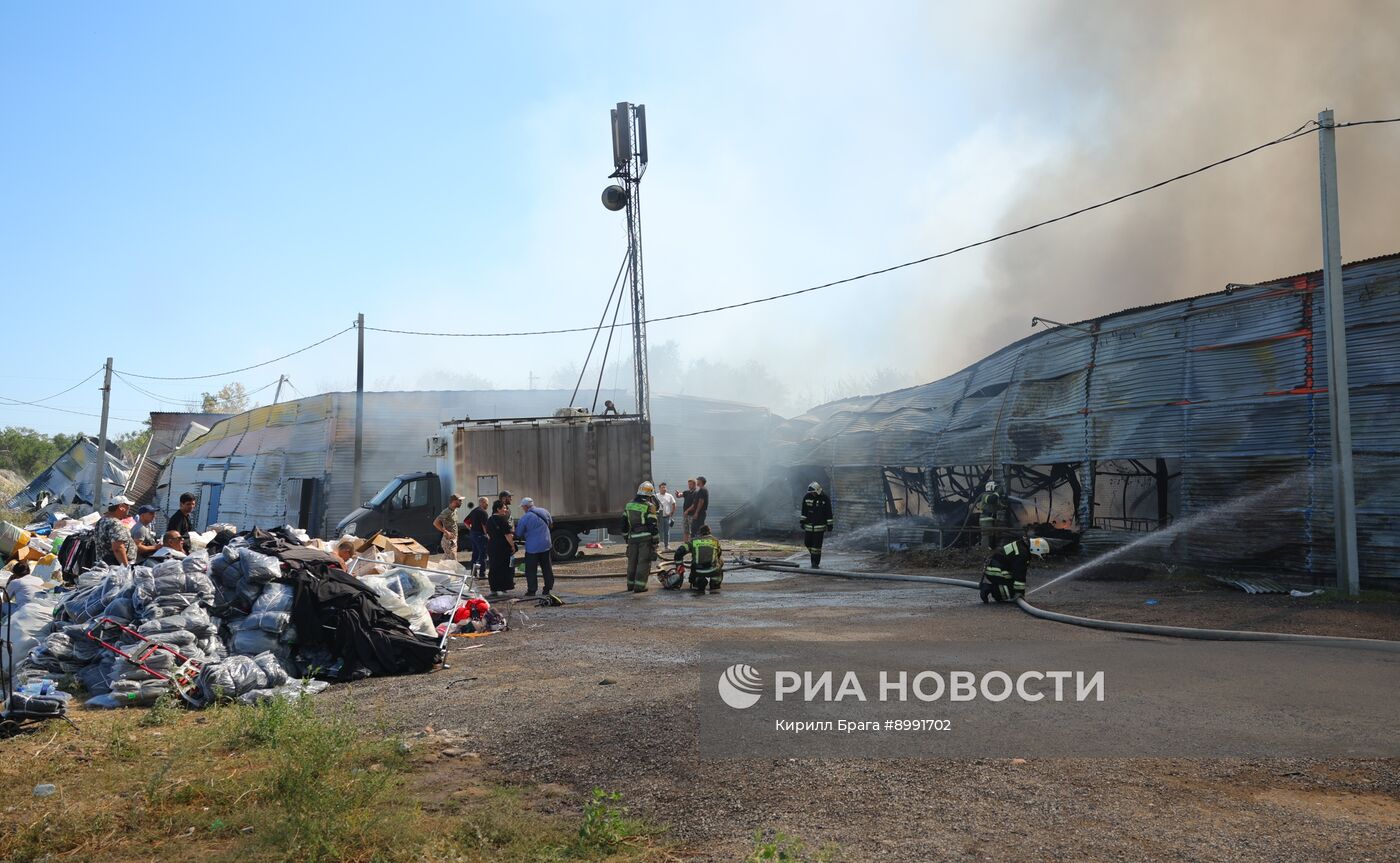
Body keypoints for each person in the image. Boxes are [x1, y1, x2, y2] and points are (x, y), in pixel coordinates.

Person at [980, 534, 1049, 603]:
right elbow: (1019, 574)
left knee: (1012, 589)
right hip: (996, 571)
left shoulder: (1021, 545)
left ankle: (996, 588)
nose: (1035, 557)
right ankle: (988, 588)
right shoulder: (1022, 554)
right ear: (1036, 549)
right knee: (1010, 594)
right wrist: (1019, 592)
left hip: (996, 569)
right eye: (1037, 555)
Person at [622, 482, 659, 592]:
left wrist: (626, 537)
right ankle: (639, 586)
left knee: (632, 561)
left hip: (632, 537)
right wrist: (655, 541)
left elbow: (623, 524)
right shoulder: (649, 506)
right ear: (649, 495)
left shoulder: (629, 505)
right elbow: (653, 525)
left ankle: (630, 585)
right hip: (645, 539)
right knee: (643, 562)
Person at [515, 497, 555, 596]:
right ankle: (547, 589)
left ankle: (532, 591)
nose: (523, 509)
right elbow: (551, 524)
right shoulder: (545, 511)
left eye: (523, 507)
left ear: (525, 506)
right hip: (546, 545)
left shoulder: (525, 518)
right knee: (547, 568)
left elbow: (519, 533)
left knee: (531, 570)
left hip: (532, 548)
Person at [674, 524, 724, 594]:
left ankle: (698, 580)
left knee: (698, 580)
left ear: (700, 533)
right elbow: (719, 554)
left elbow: (679, 552)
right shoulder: (715, 541)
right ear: (710, 532)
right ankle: (715, 581)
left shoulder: (693, 541)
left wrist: (679, 566)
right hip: (713, 570)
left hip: (698, 571)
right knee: (721, 560)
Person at [94, 495, 138, 566]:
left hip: (103, 564)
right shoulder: (115, 523)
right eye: (128, 506)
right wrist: (125, 567)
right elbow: (118, 548)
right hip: (115, 567)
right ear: (121, 507)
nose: (128, 509)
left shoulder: (102, 520)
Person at [799, 482, 834, 569]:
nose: (812, 494)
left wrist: (830, 524)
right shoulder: (807, 497)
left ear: (818, 491)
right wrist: (802, 521)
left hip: (819, 526)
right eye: (811, 492)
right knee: (807, 543)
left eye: (813, 492)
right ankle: (814, 556)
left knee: (816, 547)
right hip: (809, 526)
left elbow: (829, 512)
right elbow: (804, 511)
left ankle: (815, 563)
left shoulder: (824, 498)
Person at [485, 500, 516, 596]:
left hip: (492, 546)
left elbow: (488, 534)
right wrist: (512, 546)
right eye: (504, 508)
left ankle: (493, 589)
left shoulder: (489, 520)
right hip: (502, 547)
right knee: (503, 567)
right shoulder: (502, 520)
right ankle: (501, 589)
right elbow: (508, 535)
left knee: (493, 567)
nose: (506, 510)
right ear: (498, 509)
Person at [975, 481, 1006, 549]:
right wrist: (998, 492)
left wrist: (1004, 504)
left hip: (992, 519)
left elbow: (1000, 507)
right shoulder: (985, 495)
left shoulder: (995, 498)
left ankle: (991, 549)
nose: (996, 490)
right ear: (991, 487)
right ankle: (984, 551)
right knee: (986, 536)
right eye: (995, 488)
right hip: (985, 519)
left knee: (992, 537)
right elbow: (990, 499)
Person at [465, 497, 490, 577]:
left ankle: (473, 573)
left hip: (473, 534)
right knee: (483, 554)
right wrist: (487, 535)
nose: (487, 505)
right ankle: (482, 573)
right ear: (482, 502)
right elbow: (484, 525)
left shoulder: (474, 511)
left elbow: (466, 521)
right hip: (480, 535)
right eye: (486, 503)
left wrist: (471, 529)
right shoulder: (483, 512)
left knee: (475, 554)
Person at [434, 494, 463, 560]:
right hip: (448, 541)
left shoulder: (455, 510)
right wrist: (446, 532)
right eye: (460, 500)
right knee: (453, 560)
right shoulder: (446, 512)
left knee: (448, 560)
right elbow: (435, 523)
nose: (461, 502)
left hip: (453, 539)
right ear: (454, 501)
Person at [655, 482, 677, 549]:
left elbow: (674, 504)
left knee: (666, 532)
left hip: (666, 517)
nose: (664, 489)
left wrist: (672, 513)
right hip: (658, 516)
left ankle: (666, 546)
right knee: (657, 531)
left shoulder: (669, 496)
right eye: (662, 487)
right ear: (659, 488)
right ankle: (656, 545)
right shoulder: (656, 496)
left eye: (665, 487)